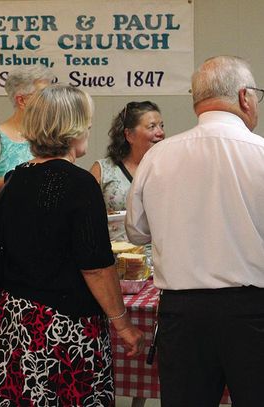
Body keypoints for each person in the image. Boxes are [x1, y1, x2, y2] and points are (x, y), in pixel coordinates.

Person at [0, 84, 144, 406]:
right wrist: (123, 324)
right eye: (86, 119)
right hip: (66, 327)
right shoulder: (79, 183)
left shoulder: (15, 179)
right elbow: (96, 267)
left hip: (19, 325)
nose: (89, 126)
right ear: (72, 127)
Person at [125, 55, 264, 406]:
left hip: (182, 314)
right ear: (245, 97)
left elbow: (137, 233)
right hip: (253, 312)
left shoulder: (157, 157)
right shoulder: (261, 153)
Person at [0, 66, 54, 232]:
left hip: (40, 233)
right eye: (42, 96)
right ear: (22, 101)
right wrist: (15, 176)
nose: (49, 102)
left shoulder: (50, 138)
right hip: (1, 235)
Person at [90, 101, 164, 241]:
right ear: (129, 135)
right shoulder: (103, 170)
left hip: (156, 258)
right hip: (114, 258)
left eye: (161, 126)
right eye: (152, 127)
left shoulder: (167, 169)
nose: (160, 133)